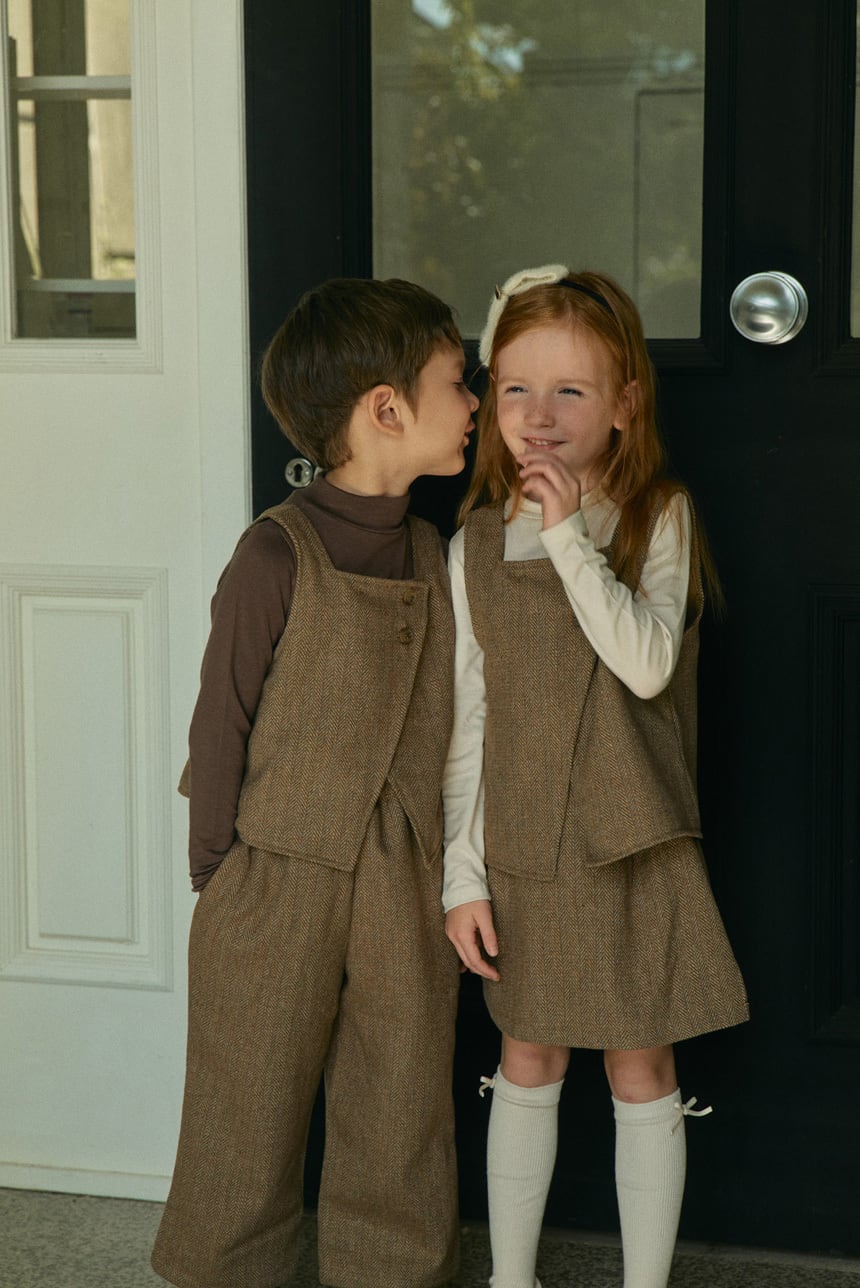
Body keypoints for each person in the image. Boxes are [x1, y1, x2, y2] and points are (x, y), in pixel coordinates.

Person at [151, 276, 479, 1288]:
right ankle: (223, 1268)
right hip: (277, 868)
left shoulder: (433, 553)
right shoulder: (273, 553)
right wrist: (217, 871)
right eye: (457, 381)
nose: (474, 401)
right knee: (245, 1098)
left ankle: (390, 1269)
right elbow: (221, 721)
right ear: (388, 408)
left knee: (400, 1094)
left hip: (402, 875)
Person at [442, 264, 748, 1288]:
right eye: (515, 389)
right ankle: (511, 1277)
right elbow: (468, 718)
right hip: (526, 844)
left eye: (569, 391)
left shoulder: (657, 516)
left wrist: (569, 536)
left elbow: (646, 663)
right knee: (526, 1056)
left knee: (640, 1060)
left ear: (623, 405)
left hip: (629, 843)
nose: (538, 416)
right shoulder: (473, 543)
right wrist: (461, 876)